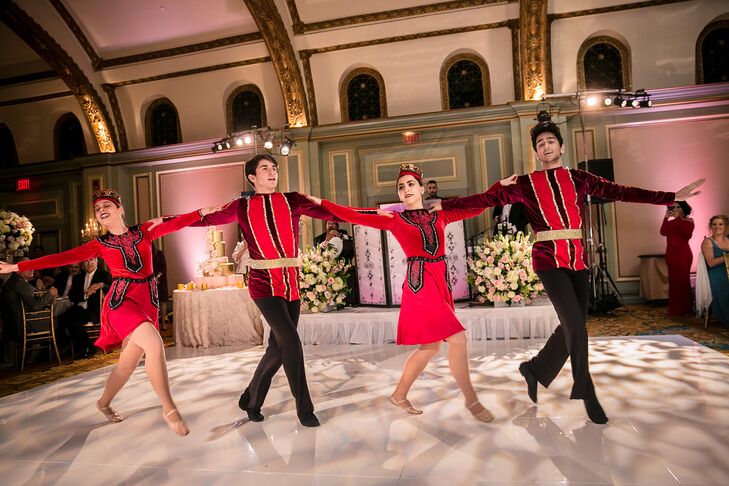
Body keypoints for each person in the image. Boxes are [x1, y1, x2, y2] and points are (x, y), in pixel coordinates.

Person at [434, 114, 704, 424]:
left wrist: (670, 197)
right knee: (576, 323)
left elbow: (623, 192)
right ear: (536, 152)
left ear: (561, 147)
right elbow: (484, 198)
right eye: (539, 143)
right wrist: (445, 205)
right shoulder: (524, 184)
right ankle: (586, 390)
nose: (545, 146)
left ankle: (534, 369)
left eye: (550, 141)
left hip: (577, 258)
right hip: (547, 258)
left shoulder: (579, 178)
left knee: (573, 325)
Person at [0, 189, 219, 436]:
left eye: (107, 205)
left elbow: (175, 223)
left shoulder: (143, 231)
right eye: (97, 208)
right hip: (121, 301)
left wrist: (200, 213)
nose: (102, 210)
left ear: (120, 208)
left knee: (127, 365)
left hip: (148, 300)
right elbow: (60, 258)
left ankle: (103, 403)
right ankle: (169, 409)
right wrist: (17, 266)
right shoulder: (100, 244)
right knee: (154, 345)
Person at [307, 163, 494, 422]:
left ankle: (399, 395)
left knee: (430, 346)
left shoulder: (439, 216)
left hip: (440, 281)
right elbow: (354, 215)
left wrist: (498, 190)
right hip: (420, 283)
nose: (405, 189)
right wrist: (323, 202)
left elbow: (478, 207)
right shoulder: (394, 220)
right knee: (458, 338)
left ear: (421, 188)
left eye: (410, 184)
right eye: (400, 187)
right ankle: (472, 401)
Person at [193, 153, 340, 428]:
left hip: (291, 284)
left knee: (277, 347)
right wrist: (168, 222)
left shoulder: (292, 199)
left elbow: (329, 212)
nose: (272, 172)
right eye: (265, 169)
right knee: (292, 343)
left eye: (274, 168)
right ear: (252, 177)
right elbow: (205, 219)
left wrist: (363, 215)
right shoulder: (241, 206)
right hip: (263, 285)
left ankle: (251, 398)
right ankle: (304, 410)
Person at [0, 257, 58, 365]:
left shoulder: (14, 281)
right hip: (22, 327)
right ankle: (51, 355)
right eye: (27, 267)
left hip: (12, 327)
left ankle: (39, 352)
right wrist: (50, 293)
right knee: (59, 319)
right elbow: (35, 306)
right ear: (17, 269)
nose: (32, 269)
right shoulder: (19, 283)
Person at [58, 257, 112, 358]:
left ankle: (85, 347)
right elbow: (72, 296)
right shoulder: (78, 277)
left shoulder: (103, 275)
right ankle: (79, 346)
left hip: (94, 310)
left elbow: (112, 290)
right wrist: (85, 295)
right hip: (79, 308)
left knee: (73, 321)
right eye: (86, 261)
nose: (89, 263)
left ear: (96, 262)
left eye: (92, 260)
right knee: (62, 319)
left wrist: (101, 284)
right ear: (82, 263)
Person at [660, 201, 694, 316]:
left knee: (683, 281)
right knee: (674, 281)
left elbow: (686, 234)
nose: (675, 209)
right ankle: (675, 309)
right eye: (673, 207)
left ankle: (685, 308)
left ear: (683, 209)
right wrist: (665, 218)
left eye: (678, 207)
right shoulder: (671, 222)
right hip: (671, 255)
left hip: (683, 255)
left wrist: (679, 218)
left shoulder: (689, 221)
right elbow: (663, 232)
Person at [700, 214, 729, 326]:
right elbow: (711, 263)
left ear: (725, 226)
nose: (718, 226)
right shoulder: (707, 242)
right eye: (714, 224)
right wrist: (727, 256)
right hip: (715, 274)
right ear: (710, 227)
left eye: (720, 224)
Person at [151, 243, 169, 330]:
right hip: (150, 281)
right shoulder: (146, 255)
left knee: (162, 300)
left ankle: (163, 322)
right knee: (153, 302)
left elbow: (164, 268)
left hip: (161, 280)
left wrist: (157, 277)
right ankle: (155, 324)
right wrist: (152, 279)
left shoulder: (160, 253)